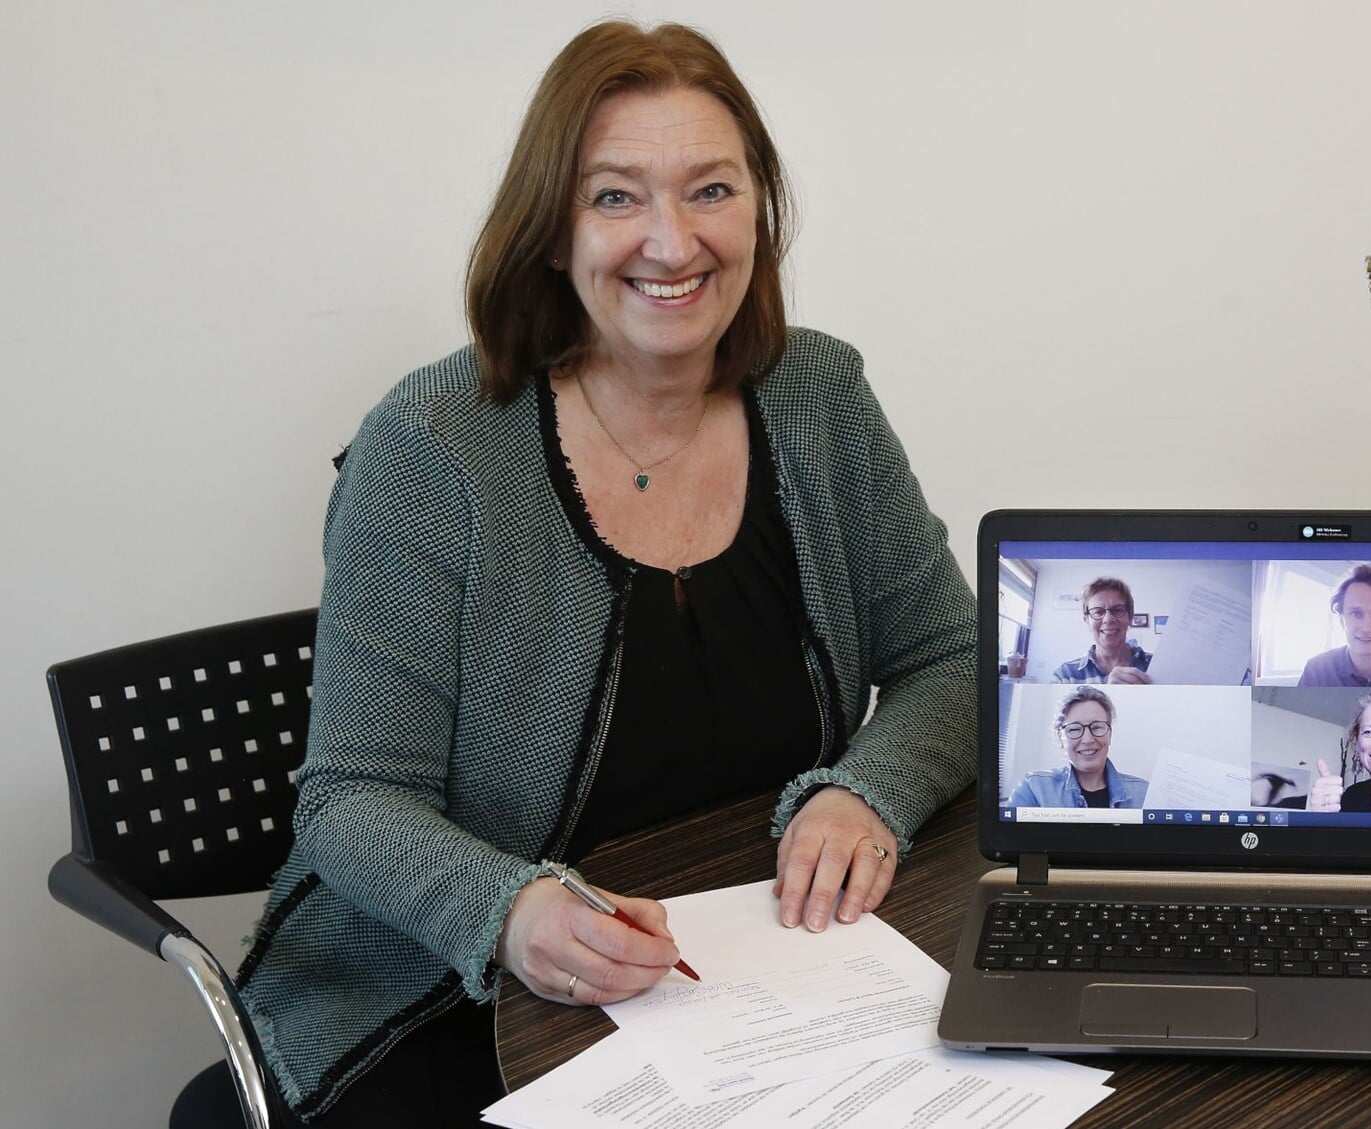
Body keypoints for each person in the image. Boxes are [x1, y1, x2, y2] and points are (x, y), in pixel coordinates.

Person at [188, 22, 974, 1127]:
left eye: (710, 190)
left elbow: (949, 656)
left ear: (759, 211)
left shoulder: (819, 396)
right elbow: (350, 801)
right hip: (454, 988)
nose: (671, 242)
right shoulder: (432, 447)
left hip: (767, 976)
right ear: (551, 231)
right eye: (615, 198)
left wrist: (866, 788)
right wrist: (510, 911)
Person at [1008, 687, 1150, 809]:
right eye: (1074, 729)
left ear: (1110, 734)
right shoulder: (1034, 789)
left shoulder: (1144, 793)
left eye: (1097, 727)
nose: (1088, 740)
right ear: (1060, 738)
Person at [1050, 577, 1154, 684]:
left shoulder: (1157, 666)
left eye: (1117, 610)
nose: (1108, 620)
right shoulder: (1066, 676)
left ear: (1130, 616)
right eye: (1098, 612)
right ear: (1086, 620)